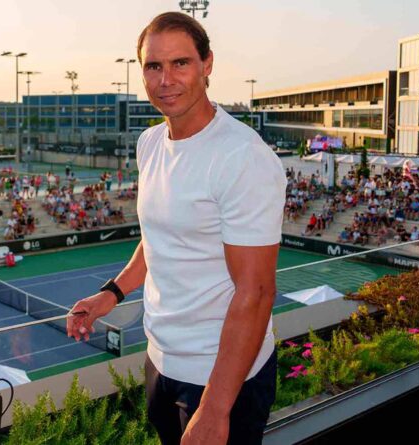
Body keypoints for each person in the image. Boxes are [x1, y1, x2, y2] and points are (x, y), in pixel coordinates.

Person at [67, 13, 284, 445]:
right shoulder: (150, 143)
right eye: (153, 66)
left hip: (221, 379)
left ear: (207, 64)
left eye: (180, 63)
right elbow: (158, 240)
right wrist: (111, 293)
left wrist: (217, 408)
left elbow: (255, 293)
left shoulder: (243, 156)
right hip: (161, 362)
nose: (165, 79)